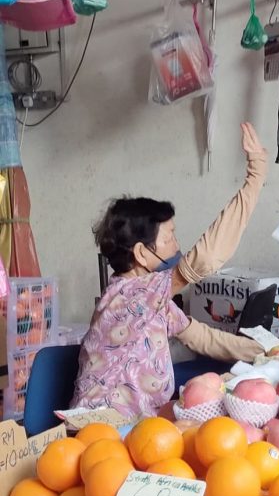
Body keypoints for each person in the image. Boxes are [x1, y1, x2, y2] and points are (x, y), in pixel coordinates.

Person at [71, 123, 268, 418]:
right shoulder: (129, 295)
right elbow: (206, 258)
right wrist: (256, 176)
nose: (177, 244)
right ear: (141, 253)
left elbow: (201, 337)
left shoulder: (150, 299)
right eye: (168, 238)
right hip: (102, 432)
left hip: (139, 431)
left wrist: (266, 353)